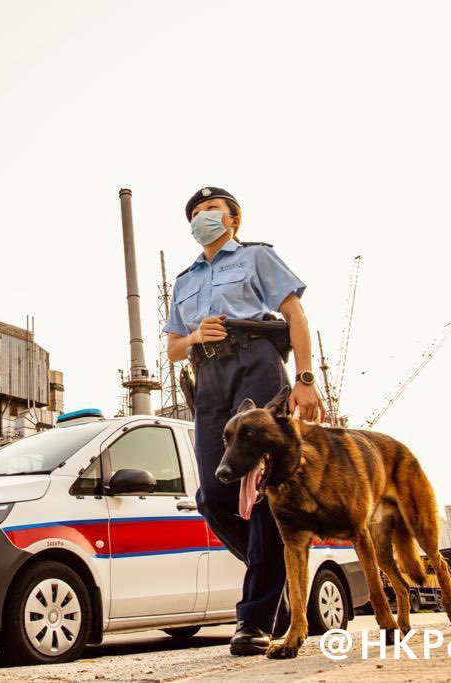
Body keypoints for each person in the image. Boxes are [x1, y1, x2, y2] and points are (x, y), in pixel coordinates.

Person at [164, 186, 324, 656]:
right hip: (208, 376)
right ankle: (275, 571)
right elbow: (174, 347)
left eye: (211, 209)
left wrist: (306, 379)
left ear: (233, 219)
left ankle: (253, 619)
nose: (202, 216)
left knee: (259, 487)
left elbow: (295, 314)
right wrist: (194, 334)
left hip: (256, 364)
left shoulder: (255, 257)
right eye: (195, 212)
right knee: (214, 495)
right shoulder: (183, 280)